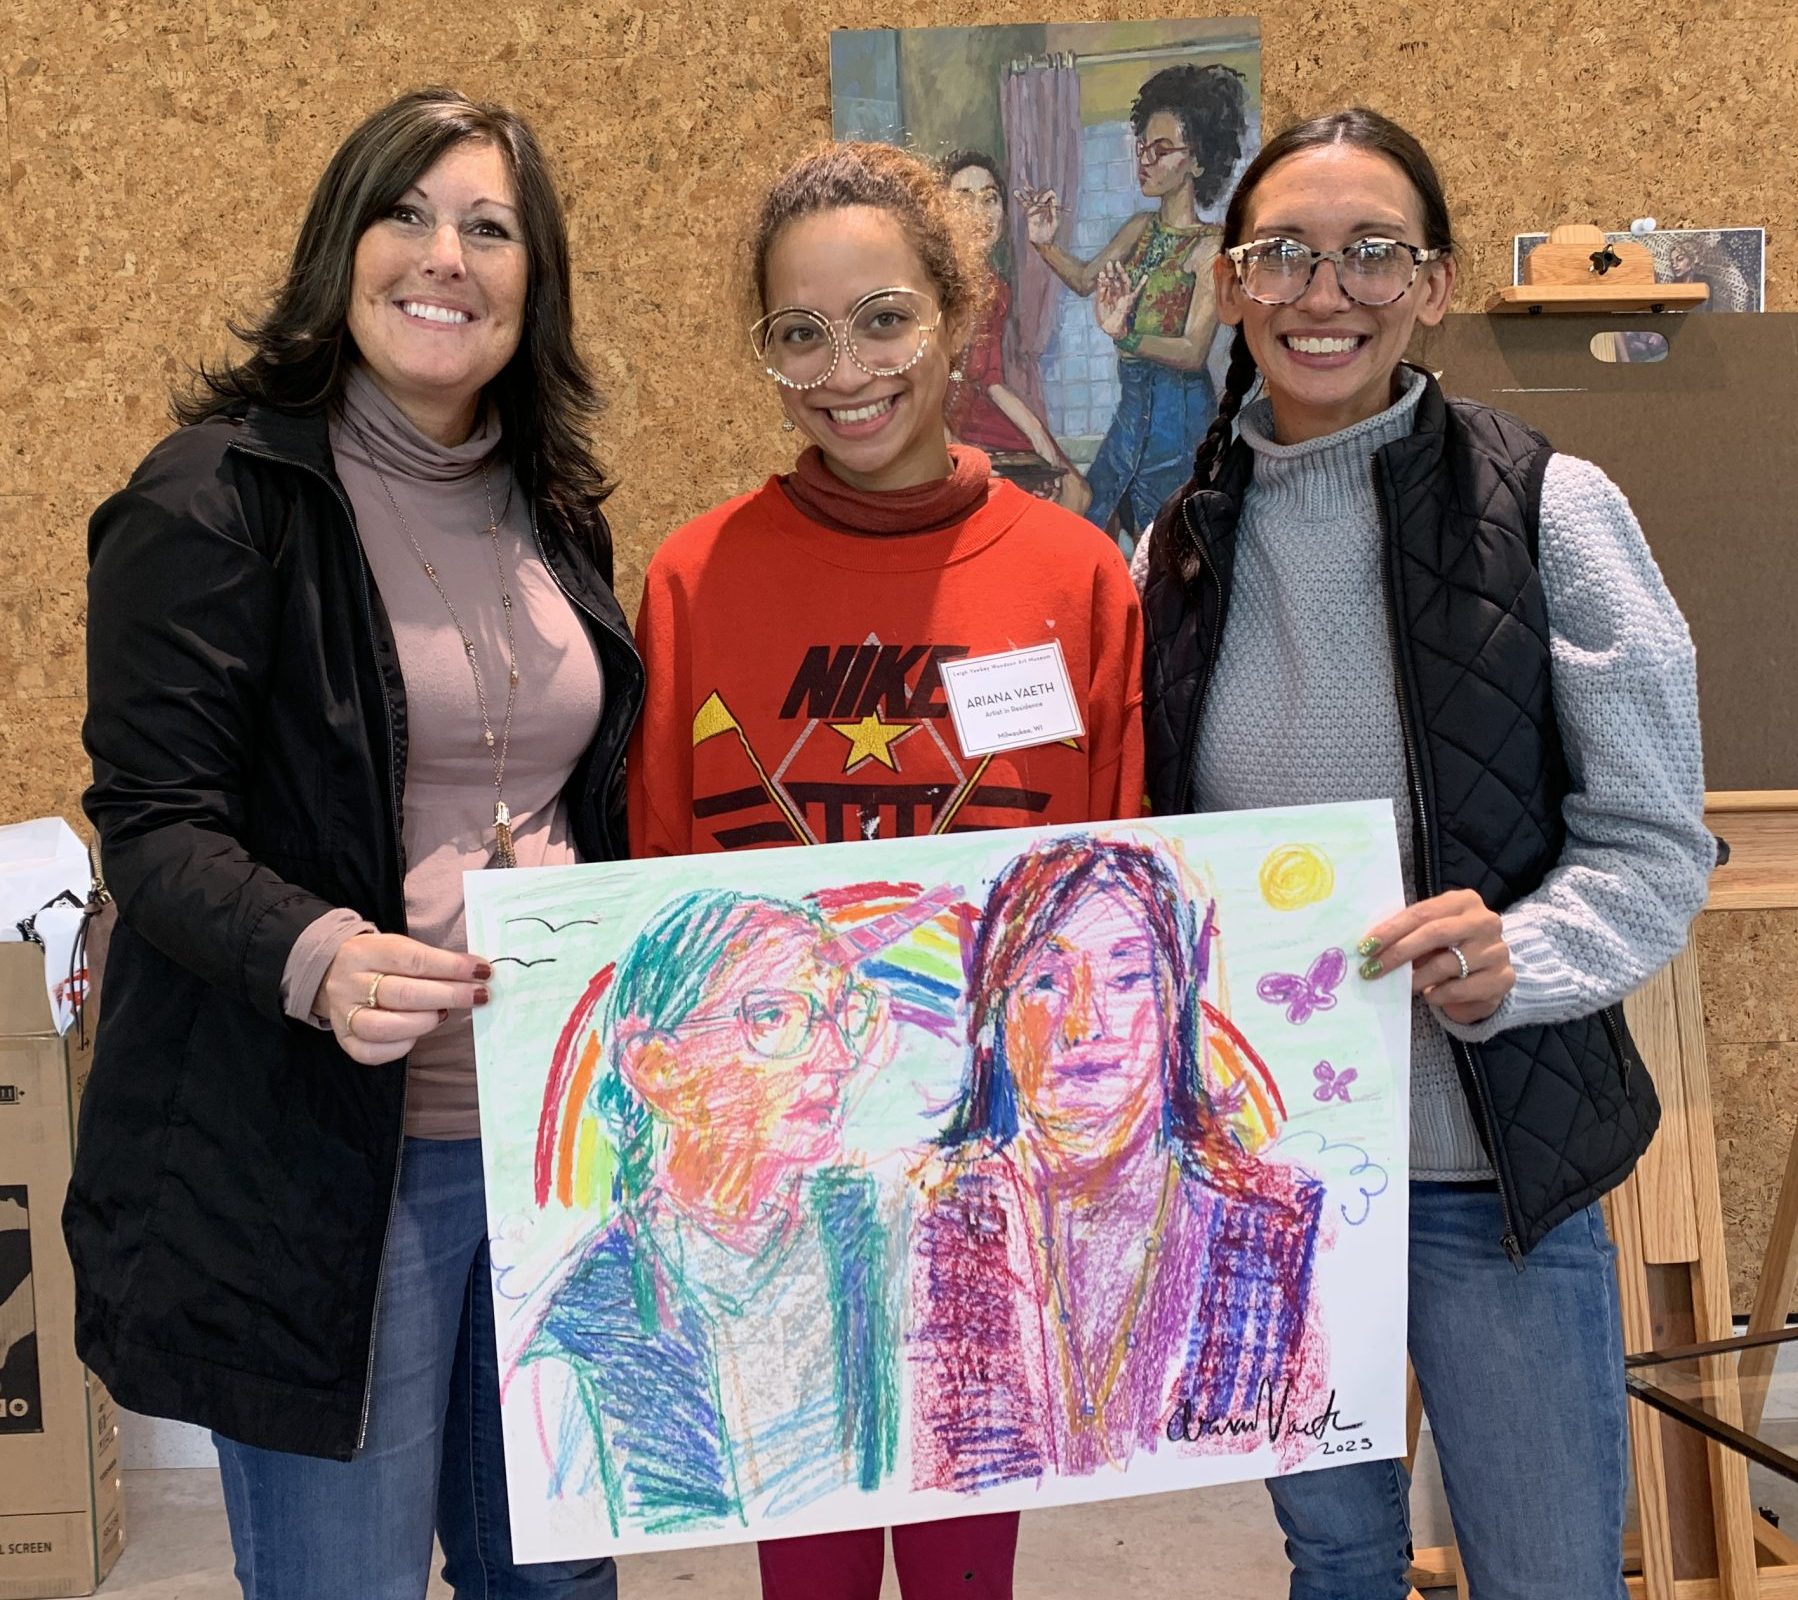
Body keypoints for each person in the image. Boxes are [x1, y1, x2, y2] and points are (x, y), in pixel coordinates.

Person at [1131, 107, 1715, 1599]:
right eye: (1284, 255)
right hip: (1276, 1176)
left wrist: (1525, 955)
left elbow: (1654, 843)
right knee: (1334, 1562)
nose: (1325, 294)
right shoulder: (1172, 547)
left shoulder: (1552, 513)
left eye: (1371, 253)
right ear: (1229, 282)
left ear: (1433, 285)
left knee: (1544, 1567)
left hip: (1490, 1167)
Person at [65, 88, 640, 1599]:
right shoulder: (216, 499)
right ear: (343, 247)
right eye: (407, 212)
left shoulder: (556, 510)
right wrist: (316, 957)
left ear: (535, 280)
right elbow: (152, 823)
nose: (444, 257)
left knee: (558, 1577)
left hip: (553, 1146)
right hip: (331, 1174)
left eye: (490, 227)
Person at [629, 140, 1145, 1599]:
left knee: (966, 1567)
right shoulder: (693, 579)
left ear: (962, 311)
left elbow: (1104, 881)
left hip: (988, 1195)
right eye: (798, 330)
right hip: (774, 1200)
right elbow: (665, 892)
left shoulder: (1073, 577)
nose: (842, 365)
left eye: (882, 317)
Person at [910, 835, 1323, 1489]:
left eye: (1128, 977)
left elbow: (1289, 1429)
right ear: (996, 1013)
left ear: (1174, 1006)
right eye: (1046, 980)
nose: (1086, 1020)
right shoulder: (934, 1222)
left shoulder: (1271, 1228)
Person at [521, 890, 902, 1535]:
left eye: (844, 1014)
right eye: (777, 1017)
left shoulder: (876, 1233)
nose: (837, 1057)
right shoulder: (587, 1346)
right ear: (659, 1066)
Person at [1019, 63, 1248, 553]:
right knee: (1085, 528)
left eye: (1161, 150)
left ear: (1199, 161)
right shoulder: (1139, 228)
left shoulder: (1212, 246)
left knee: (1166, 555)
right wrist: (1044, 245)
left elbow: (1191, 351)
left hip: (1179, 430)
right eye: (1141, 146)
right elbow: (1084, 279)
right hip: (1130, 420)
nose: (1144, 159)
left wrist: (1123, 335)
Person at [940, 150, 1089, 514]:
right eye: (964, 198)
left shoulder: (996, 288)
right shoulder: (931, 287)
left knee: (1076, 492)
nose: (981, 211)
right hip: (936, 424)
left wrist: (1038, 433)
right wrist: (953, 446)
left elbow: (992, 378)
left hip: (984, 413)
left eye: (990, 199)